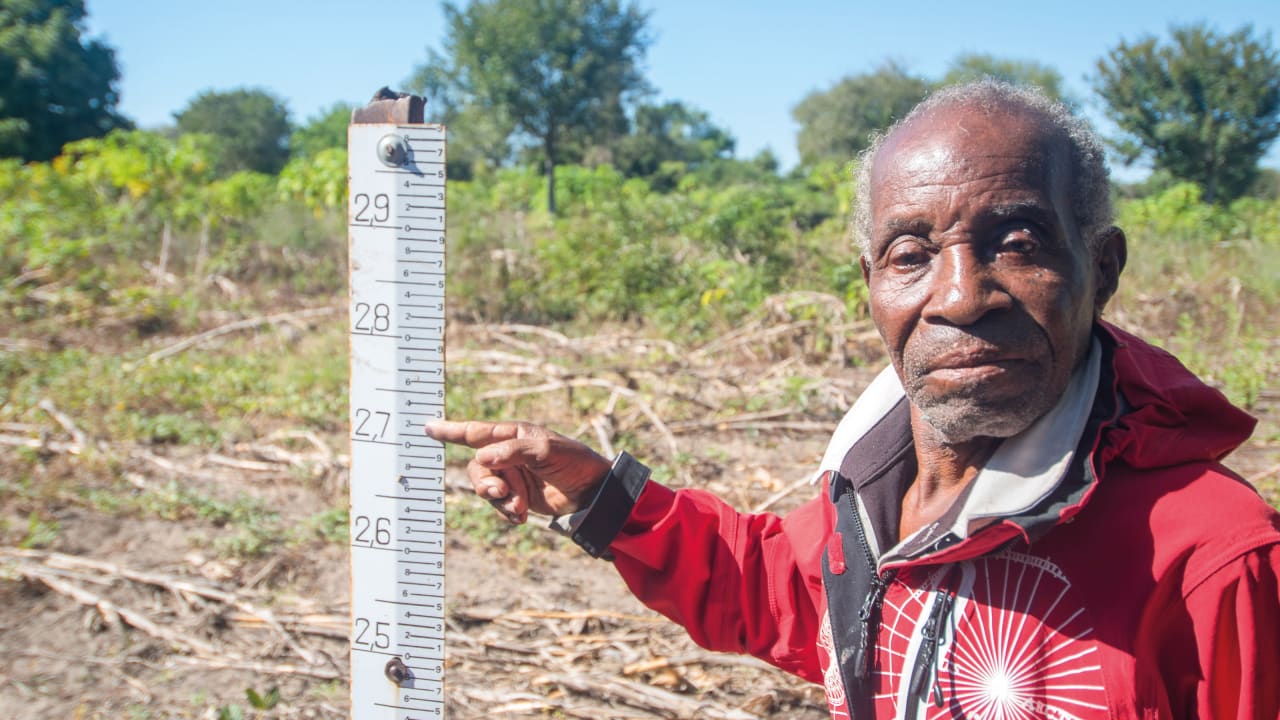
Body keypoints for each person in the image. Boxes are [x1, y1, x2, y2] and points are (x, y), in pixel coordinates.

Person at [427, 81, 1280, 719]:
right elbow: (780, 594)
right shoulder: (876, 485)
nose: (959, 294)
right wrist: (601, 494)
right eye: (912, 254)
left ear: (1103, 269)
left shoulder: (1213, 557)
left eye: (1017, 242)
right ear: (871, 285)